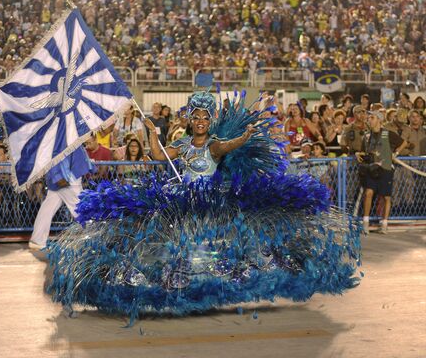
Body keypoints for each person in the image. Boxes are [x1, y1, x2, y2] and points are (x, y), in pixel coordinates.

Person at [47, 90, 361, 322]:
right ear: (190, 119)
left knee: (214, 248)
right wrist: (152, 134)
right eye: (195, 117)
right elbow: (158, 156)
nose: (199, 121)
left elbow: (228, 146)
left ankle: (218, 288)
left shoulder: (212, 145)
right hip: (185, 202)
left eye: (204, 117)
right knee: (180, 248)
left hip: (211, 203)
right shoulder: (183, 144)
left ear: (210, 121)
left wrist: (245, 137)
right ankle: (179, 288)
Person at [29, 147, 94, 250]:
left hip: (62, 178)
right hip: (67, 179)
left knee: (46, 210)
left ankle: (37, 240)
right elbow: (55, 154)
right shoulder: (63, 135)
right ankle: (95, 238)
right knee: (80, 209)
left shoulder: (64, 135)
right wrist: (57, 176)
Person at [356, 111, 407, 234]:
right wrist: (358, 153)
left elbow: (404, 142)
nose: (369, 120)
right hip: (372, 168)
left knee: (386, 197)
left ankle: (384, 224)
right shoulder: (367, 136)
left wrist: (396, 153)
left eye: (372, 118)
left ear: (379, 120)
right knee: (368, 193)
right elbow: (364, 151)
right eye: (369, 118)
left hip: (385, 168)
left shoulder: (387, 133)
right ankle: (366, 223)